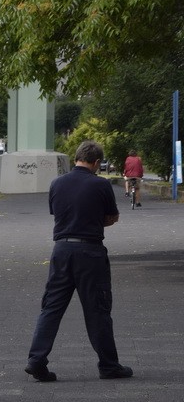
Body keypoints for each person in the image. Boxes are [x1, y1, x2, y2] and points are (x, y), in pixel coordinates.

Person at [25, 140, 133, 382]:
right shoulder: (101, 184)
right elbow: (112, 217)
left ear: (76, 158)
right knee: (98, 310)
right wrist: (95, 221)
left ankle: (36, 359)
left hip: (61, 250)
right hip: (90, 252)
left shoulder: (57, 183)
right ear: (96, 162)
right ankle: (108, 365)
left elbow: (59, 213)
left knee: (51, 308)